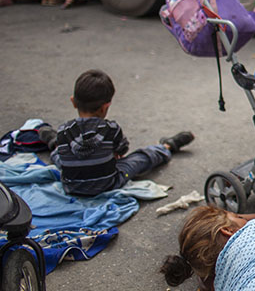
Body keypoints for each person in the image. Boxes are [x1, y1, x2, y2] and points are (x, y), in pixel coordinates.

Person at [47, 69, 194, 196]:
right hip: (108, 184)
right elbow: (121, 151)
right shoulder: (111, 129)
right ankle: (166, 147)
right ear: (105, 107)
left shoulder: (63, 130)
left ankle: (51, 141)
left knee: (59, 155)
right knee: (139, 159)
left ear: (73, 102)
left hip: (72, 187)